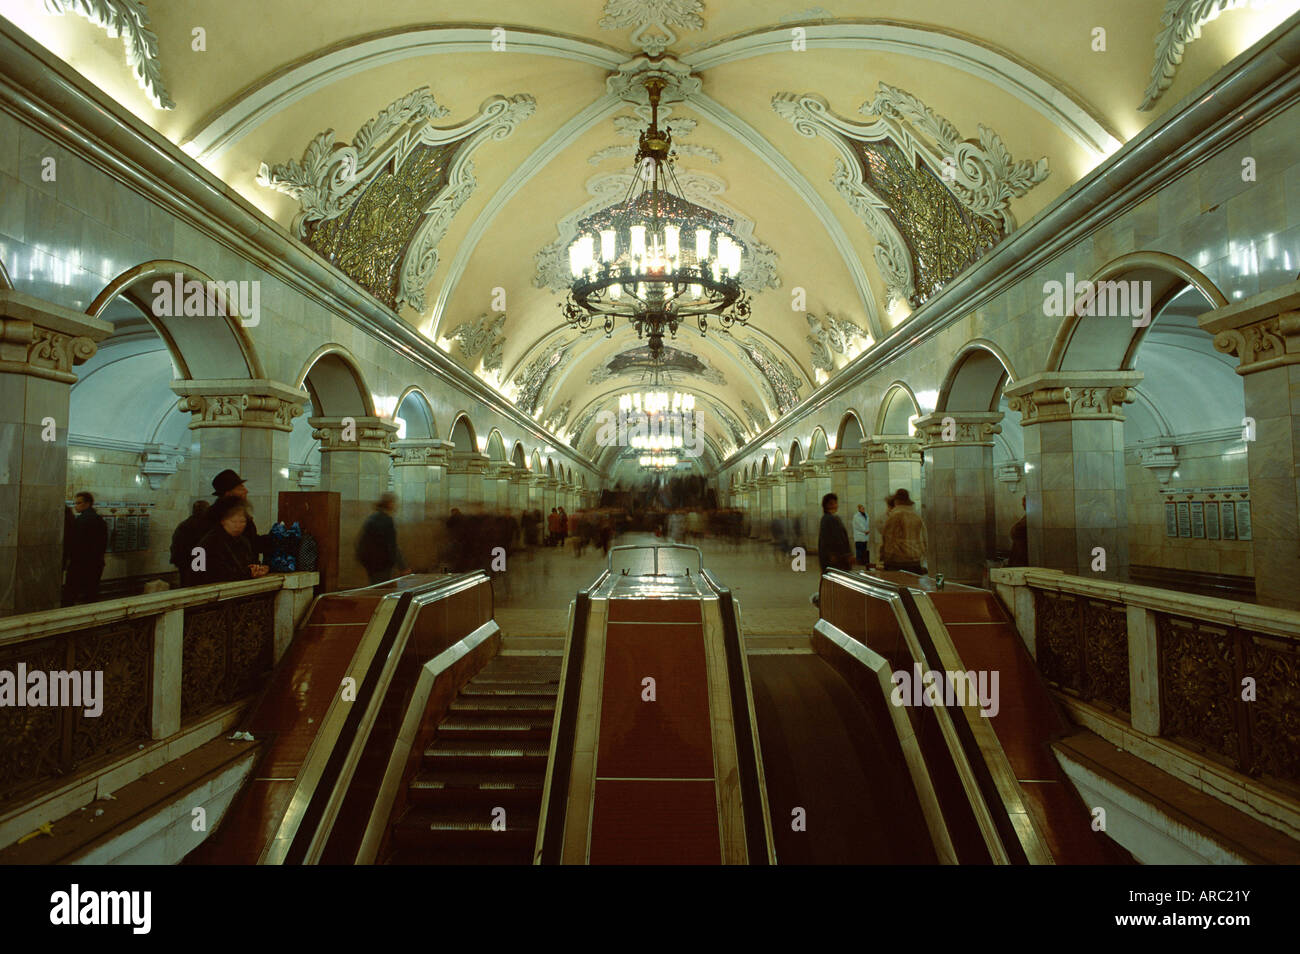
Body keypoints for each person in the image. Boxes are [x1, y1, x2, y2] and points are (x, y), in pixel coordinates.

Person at [193, 496, 270, 584]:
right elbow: (214, 574)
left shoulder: (244, 541)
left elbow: (250, 563)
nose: (238, 526)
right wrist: (248, 572)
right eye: (233, 521)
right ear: (223, 521)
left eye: (242, 522)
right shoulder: (210, 542)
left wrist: (258, 568)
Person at [210, 469, 268, 564]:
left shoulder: (241, 514)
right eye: (240, 488)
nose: (246, 491)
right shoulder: (213, 519)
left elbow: (252, 543)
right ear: (229, 494)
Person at [64, 491, 108, 604]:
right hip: (96, 563)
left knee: (71, 594)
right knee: (91, 595)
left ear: (87, 504)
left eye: (78, 503)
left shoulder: (81, 521)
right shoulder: (99, 519)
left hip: (80, 564)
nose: (76, 506)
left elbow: (75, 544)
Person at [357, 493, 408, 585]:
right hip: (382, 562)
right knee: (381, 588)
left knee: (375, 585)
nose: (396, 505)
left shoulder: (372, 518)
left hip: (370, 561)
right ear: (389, 504)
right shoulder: (386, 520)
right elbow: (392, 546)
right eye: (394, 503)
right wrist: (402, 566)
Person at [881, 488, 927, 574]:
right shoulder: (917, 516)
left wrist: (885, 558)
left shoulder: (895, 515)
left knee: (898, 585)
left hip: (898, 560)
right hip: (915, 559)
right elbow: (924, 538)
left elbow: (889, 538)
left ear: (896, 501)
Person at [171, 499, 211, 585]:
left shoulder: (184, 524)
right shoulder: (208, 526)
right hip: (201, 564)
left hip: (185, 563)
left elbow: (176, 545)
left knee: (186, 586)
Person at [817, 492, 853, 575]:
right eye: (832, 503)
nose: (835, 505)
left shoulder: (834, 518)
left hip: (839, 557)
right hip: (835, 559)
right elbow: (827, 540)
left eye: (835, 503)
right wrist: (832, 555)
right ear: (826, 505)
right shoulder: (827, 519)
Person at [1008, 495, 1029, 566]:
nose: (1022, 504)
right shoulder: (1027, 516)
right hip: (1018, 550)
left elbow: (1017, 530)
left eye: (1024, 502)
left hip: (1022, 552)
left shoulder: (1031, 517)